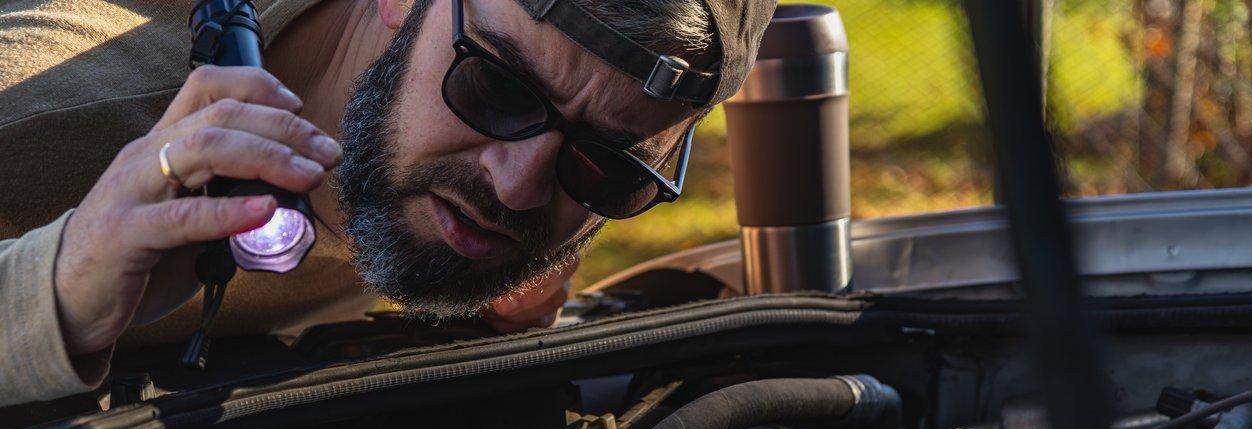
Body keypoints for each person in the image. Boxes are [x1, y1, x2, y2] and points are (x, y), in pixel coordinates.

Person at [0, 0, 774, 406]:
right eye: (496, 88)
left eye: (604, 167)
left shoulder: (492, 156)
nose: (516, 189)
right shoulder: (38, 116)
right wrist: (54, 289)